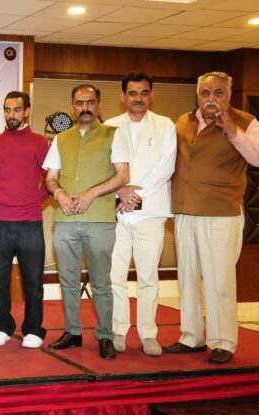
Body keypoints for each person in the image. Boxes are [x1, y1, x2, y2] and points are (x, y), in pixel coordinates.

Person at [164, 72, 259, 364]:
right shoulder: (183, 121)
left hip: (220, 213)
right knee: (188, 278)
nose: (211, 98)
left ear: (228, 95)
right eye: (205, 93)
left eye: (218, 93)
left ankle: (223, 342)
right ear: (197, 95)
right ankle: (191, 336)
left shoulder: (246, 121)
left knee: (219, 281)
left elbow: (257, 158)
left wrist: (232, 130)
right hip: (184, 211)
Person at [43, 84, 129, 360]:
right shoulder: (61, 139)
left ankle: (105, 335)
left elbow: (123, 176)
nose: (85, 108)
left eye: (90, 102)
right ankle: (72, 332)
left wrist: (91, 193)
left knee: (101, 281)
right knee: (67, 281)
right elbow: (50, 177)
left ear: (99, 105)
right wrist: (60, 195)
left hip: (100, 220)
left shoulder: (113, 134)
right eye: (79, 103)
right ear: (72, 107)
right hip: (65, 220)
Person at [105, 72, 176, 357]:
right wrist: (121, 191)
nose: (138, 98)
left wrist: (136, 195)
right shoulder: (109, 126)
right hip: (116, 212)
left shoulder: (165, 125)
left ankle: (148, 334)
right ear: (123, 96)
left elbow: (167, 166)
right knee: (115, 275)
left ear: (151, 95)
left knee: (148, 276)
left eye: (144, 92)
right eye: (133, 93)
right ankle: (118, 330)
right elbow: (103, 168)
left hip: (151, 212)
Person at [0, 91, 49, 349]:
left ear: (27, 111)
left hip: (30, 223)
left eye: (16, 109)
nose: (11, 114)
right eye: (7, 109)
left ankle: (33, 328)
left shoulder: (39, 142)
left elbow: (52, 178)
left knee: (33, 281)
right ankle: (1, 326)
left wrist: (36, 199)